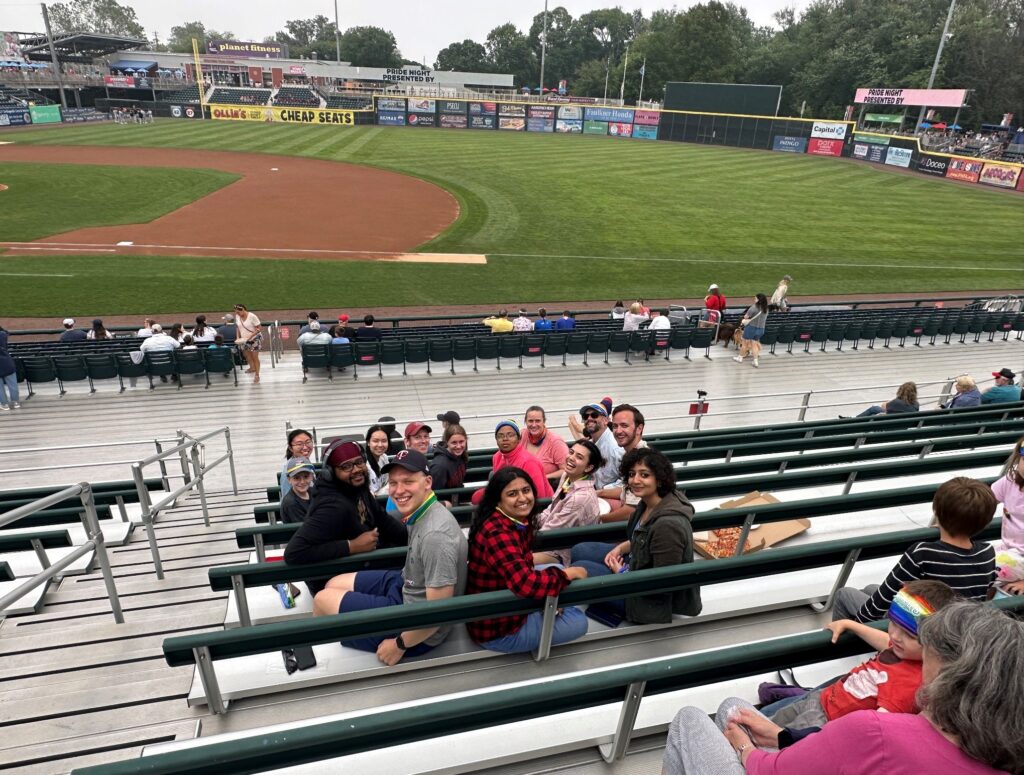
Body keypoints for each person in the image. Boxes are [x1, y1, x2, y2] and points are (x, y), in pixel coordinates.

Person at [662, 600, 1024, 775]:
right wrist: (785, 738)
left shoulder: (877, 730)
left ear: (948, 670)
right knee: (732, 707)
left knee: (691, 719)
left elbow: (767, 772)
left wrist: (744, 749)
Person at [308, 449, 467, 666]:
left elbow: (438, 614)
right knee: (333, 583)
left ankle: (320, 656)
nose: (398, 490)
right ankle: (331, 639)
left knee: (321, 599)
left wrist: (399, 644)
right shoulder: (424, 510)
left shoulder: (435, 536)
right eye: (393, 483)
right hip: (407, 586)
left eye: (408, 481)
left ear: (428, 482)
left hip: (416, 629)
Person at [764, 580, 956, 727]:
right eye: (893, 624)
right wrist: (852, 625)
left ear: (935, 643)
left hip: (826, 722)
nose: (895, 636)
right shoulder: (907, 650)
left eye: (909, 634)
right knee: (767, 722)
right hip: (824, 698)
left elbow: (874, 726)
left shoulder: (911, 685)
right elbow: (885, 641)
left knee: (771, 740)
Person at [831, 476, 996, 622]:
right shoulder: (987, 552)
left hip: (924, 629)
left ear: (937, 512)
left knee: (844, 594)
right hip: (961, 624)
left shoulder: (923, 553)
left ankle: (843, 650)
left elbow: (878, 604)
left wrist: (857, 626)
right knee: (870, 589)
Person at [571, 447, 701, 624]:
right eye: (632, 474)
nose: (635, 480)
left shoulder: (668, 526)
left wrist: (622, 573)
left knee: (579, 567)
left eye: (644, 475)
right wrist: (621, 547)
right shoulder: (649, 502)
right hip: (637, 563)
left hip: (645, 602)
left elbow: (662, 584)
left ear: (660, 479)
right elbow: (642, 537)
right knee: (580, 550)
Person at [467, 468, 589, 653]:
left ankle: (550, 607)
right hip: (499, 630)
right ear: (497, 499)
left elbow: (523, 568)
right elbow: (525, 584)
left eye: (526, 490)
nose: (523, 498)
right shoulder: (498, 533)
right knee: (579, 622)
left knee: (554, 566)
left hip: (503, 603)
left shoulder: (508, 519)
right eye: (512, 494)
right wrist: (569, 574)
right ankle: (549, 609)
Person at [284, 441, 408, 597]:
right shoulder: (332, 507)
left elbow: (384, 522)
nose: (356, 470)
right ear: (331, 472)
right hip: (333, 581)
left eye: (359, 462)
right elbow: (294, 553)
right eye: (346, 466)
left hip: (359, 563)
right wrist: (351, 546)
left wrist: (416, 542)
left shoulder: (358, 488)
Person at [533, 440, 603, 566]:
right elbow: (551, 510)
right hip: (551, 539)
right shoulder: (567, 477)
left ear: (588, 467)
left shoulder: (581, 498)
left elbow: (551, 531)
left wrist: (524, 535)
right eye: (571, 452)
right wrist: (529, 523)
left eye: (579, 457)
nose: (571, 458)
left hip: (562, 552)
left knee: (517, 560)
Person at [596, 404, 648, 521]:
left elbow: (631, 511)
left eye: (624, 426)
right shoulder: (632, 454)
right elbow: (628, 490)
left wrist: (599, 520)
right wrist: (599, 493)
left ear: (639, 429)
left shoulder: (641, 461)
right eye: (615, 426)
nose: (618, 431)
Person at [481, 420, 554, 502]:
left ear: (519, 439)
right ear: (496, 440)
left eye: (510, 435)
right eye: (500, 436)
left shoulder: (529, 462)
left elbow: (539, 495)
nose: (505, 439)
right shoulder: (496, 457)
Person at [991, 435, 1024, 596]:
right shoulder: (1010, 481)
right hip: (1009, 551)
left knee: (982, 569)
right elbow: (985, 502)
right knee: (975, 557)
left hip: (1021, 559)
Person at [578, 402, 623, 490]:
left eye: (594, 415)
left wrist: (603, 491)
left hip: (612, 497)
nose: (589, 418)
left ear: (606, 420)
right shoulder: (589, 445)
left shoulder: (615, 447)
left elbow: (626, 482)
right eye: (585, 416)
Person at [520, 405, 570, 484]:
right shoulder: (522, 435)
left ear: (544, 421)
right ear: (525, 421)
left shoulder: (556, 442)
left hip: (547, 487)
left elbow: (567, 470)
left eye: (538, 421)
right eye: (530, 421)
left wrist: (543, 478)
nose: (533, 425)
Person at [429, 423, 469, 497]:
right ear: (447, 442)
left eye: (461, 442)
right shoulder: (439, 466)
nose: (458, 446)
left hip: (457, 498)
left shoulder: (462, 455)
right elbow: (433, 494)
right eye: (454, 442)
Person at [733, 294, 769, 368]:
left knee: (745, 344)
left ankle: (740, 358)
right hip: (761, 329)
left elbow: (746, 317)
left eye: (755, 298)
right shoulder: (766, 308)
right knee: (754, 345)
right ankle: (755, 361)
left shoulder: (754, 307)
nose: (754, 299)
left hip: (751, 328)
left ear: (759, 299)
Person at [280, 429, 314, 499]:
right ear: (290, 448)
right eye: (299, 444)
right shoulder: (289, 470)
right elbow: (286, 498)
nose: (305, 447)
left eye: (308, 442)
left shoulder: (306, 462)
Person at [280, 456, 316, 524]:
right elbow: (306, 529)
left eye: (306, 477)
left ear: (311, 477)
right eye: (296, 478)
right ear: (289, 479)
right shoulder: (291, 503)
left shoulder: (313, 492)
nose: (302, 482)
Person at [854, 381, 919, 417]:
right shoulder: (916, 404)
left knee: (873, 409)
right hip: (902, 427)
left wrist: (897, 398)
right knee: (874, 412)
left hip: (889, 427)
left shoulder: (897, 402)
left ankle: (854, 420)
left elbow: (883, 405)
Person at [234, 304, 262, 383]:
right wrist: (237, 337)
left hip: (254, 339)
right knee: (247, 355)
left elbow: (259, 328)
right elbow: (238, 327)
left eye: (238, 312)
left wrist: (251, 336)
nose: (237, 314)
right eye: (236, 313)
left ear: (243, 310)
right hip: (244, 340)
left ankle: (257, 375)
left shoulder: (252, 316)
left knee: (254, 357)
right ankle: (252, 368)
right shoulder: (237, 316)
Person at [364, 424, 392, 495]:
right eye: (375, 441)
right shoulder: (363, 464)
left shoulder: (384, 457)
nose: (380, 445)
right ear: (368, 442)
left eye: (384, 441)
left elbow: (388, 481)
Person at [0, 325, 20, 410]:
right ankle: (15, 402)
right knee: (13, 385)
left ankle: (4, 404)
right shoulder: (2, 334)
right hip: (7, 362)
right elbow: (6, 332)